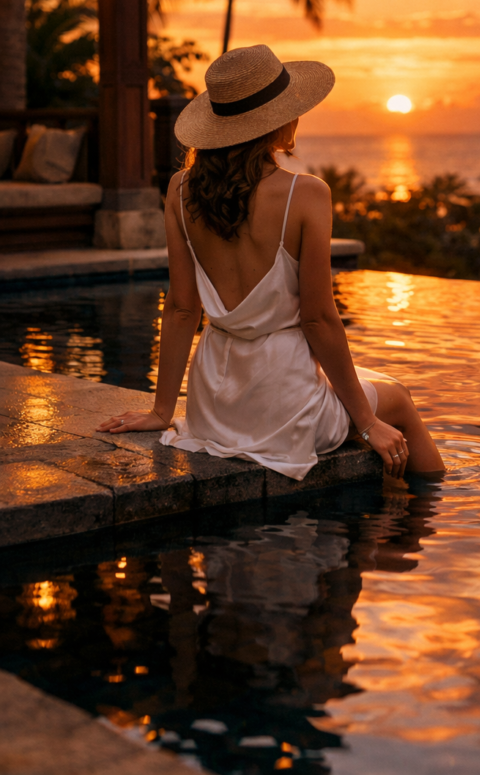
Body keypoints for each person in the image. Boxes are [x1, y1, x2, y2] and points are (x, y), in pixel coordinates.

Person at [97, 44, 444, 481]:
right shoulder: (307, 194)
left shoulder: (180, 189)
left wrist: (162, 410)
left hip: (215, 402)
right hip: (281, 404)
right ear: (277, 122)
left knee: (368, 384)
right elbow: (318, 319)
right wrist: (368, 422)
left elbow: (182, 308)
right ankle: (429, 516)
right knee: (399, 401)